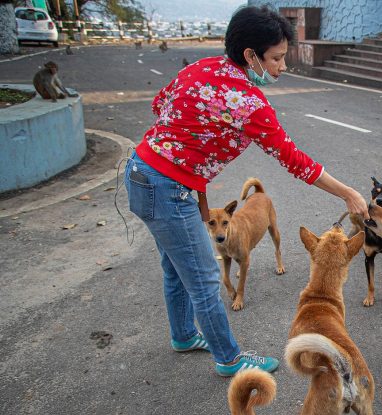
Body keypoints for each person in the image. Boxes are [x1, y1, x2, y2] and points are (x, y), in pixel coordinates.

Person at [124, 5, 369, 377]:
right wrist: (347, 193)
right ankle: (229, 358)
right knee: (206, 278)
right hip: (167, 189)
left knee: (175, 268)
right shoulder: (248, 103)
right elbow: (294, 160)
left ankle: (183, 335)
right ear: (250, 55)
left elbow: (161, 105)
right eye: (276, 58)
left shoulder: (200, 68)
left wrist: (193, 162)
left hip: (142, 174)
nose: (282, 67)